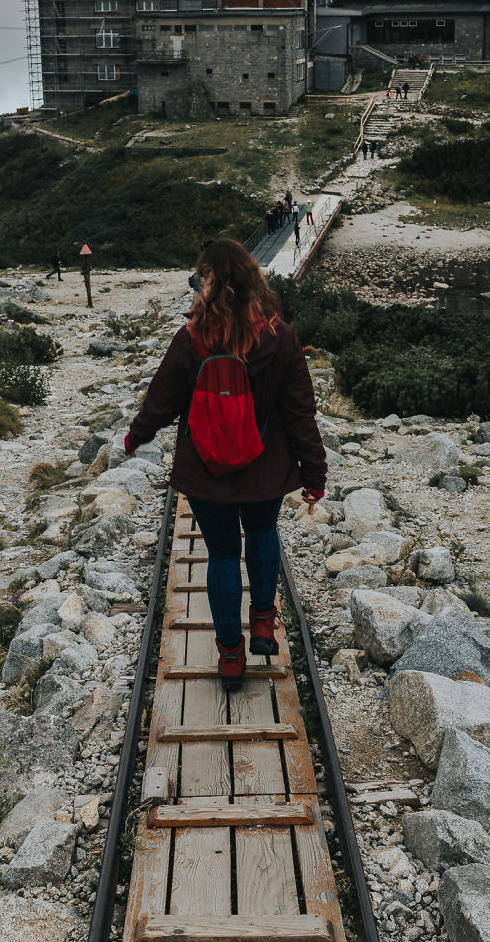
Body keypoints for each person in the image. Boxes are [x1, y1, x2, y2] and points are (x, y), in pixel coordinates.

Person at [124, 239, 326, 689]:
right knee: (261, 533)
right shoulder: (280, 338)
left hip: (206, 467)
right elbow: (300, 414)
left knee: (220, 554)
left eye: (202, 277)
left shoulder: (191, 338)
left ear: (212, 283)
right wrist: (314, 476)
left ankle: (231, 657)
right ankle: (261, 623)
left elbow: (161, 400)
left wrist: (136, 437)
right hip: (264, 466)